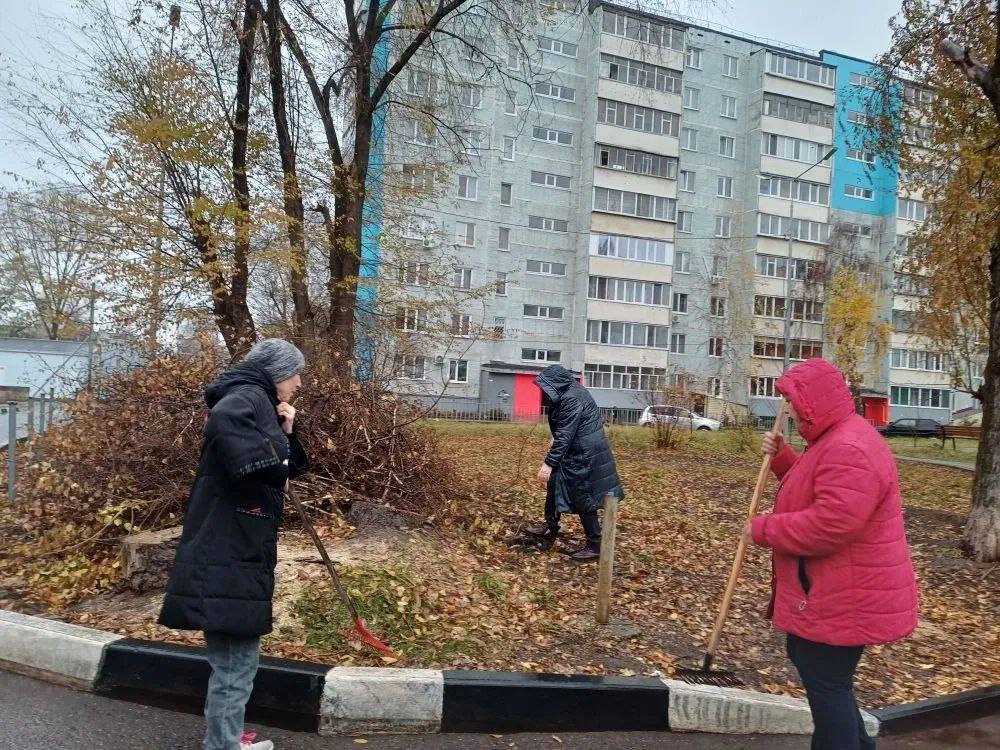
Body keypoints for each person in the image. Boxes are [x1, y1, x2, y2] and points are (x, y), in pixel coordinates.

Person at [745, 358, 918, 750]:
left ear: (814, 402)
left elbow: (831, 525)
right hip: (834, 588)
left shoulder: (849, 447)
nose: (787, 410)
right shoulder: (834, 438)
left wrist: (763, 529)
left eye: (791, 401)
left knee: (827, 683)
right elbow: (815, 484)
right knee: (822, 675)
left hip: (846, 593)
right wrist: (783, 458)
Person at [159, 339, 310, 750]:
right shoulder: (247, 397)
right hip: (227, 553)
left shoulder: (258, 399)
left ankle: (225, 738)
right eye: (295, 373)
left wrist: (286, 433)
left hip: (235, 550)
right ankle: (223, 745)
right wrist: (265, 461)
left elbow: (284, 469)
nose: (298, 382)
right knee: (234, 663)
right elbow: (227, 425)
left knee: (235, 661)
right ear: (277, 372)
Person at [521, 365, 623, 563]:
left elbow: (566, 434)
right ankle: (550, 527)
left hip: (584, 454)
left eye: (546, 385)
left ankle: (595, 545)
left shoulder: (571, 398)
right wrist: (556, 439)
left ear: (555, 383)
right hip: (578, 448)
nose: (543, 390)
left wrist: (548, 464)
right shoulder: (570, 392)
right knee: (554, 483)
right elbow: (566, 429)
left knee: (582, 495)